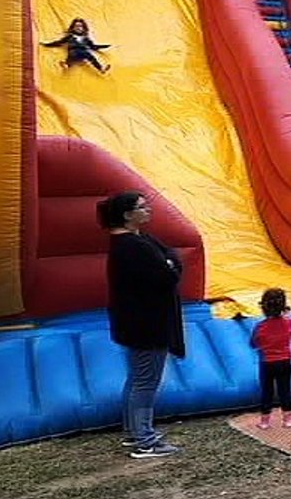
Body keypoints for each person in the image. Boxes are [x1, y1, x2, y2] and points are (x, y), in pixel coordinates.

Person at [101, 191, 184, 458]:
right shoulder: (133, 247)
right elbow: (167, 274)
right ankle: (144, 439)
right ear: (127, 215)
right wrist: (169, 265)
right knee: (146, 382)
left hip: (135, 323)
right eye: (142, 207)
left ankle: (133, 431)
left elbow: (171, 257)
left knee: (138, 379)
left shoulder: (136, 241)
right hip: (146, 325)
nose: (148, 209)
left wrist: (170, 262)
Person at [251, 288, 291, 429]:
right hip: (284, 361)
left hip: (267, 363)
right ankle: (288, 420)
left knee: (267, 391)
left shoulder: (260, 326)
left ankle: (265, 422)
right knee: (285, 390)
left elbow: (253, 343)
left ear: (264, 307)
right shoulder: (289, 322)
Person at [42, 18, 110, 74]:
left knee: (91, 56)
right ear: (73, 28)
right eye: (76, 26)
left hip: (84, 51)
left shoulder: (86, 38)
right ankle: (67, 64)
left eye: (80, 26)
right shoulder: (70, 36)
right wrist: (47, 44)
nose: (78, 28)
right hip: (74, 50)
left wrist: (103, 46)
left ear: (84, 28)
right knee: (72, 54)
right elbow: (59, 42)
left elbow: (93, 46)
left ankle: (101, 69)